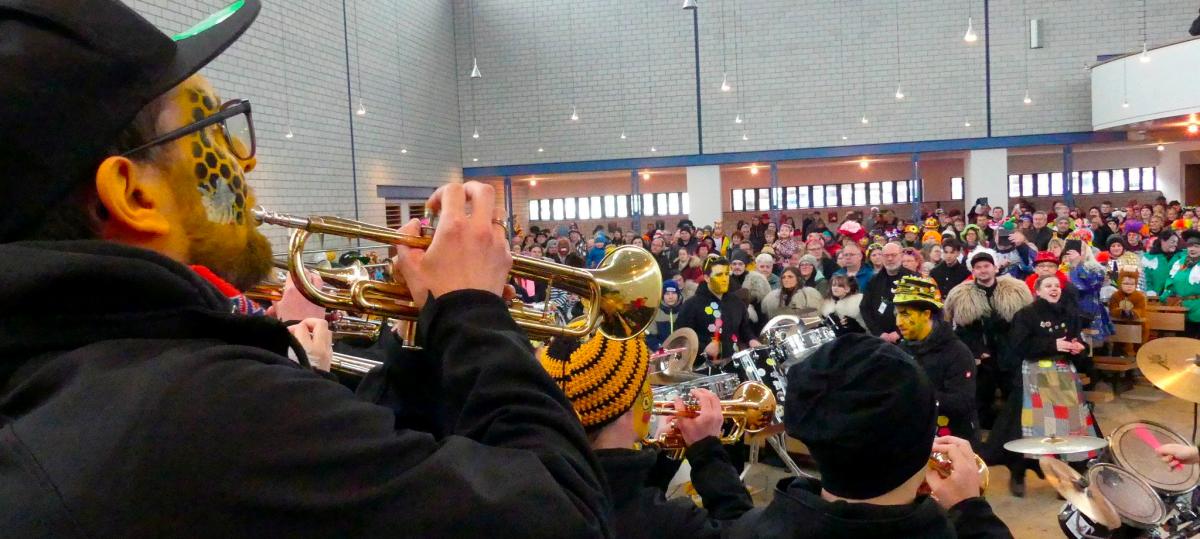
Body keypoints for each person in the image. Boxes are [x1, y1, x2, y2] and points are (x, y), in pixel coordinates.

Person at [0, 1, 610, 535]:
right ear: (133, 195)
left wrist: (429, 328)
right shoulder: (208, 412)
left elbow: (411, 479)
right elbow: (565, 513)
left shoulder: (71, 384)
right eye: (209, 131)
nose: (244, 162)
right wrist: (475, 308)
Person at [725, 335, 1012, 539]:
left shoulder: (753, 527)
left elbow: (727, 521)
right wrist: (972, 513)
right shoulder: (953, 530)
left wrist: (707, 453)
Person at [538, 334, 753, 539]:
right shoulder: (670, 523)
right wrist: (708, 451)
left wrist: (662, 459)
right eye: (646, 384)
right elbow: (746, 529)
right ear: (627, 406)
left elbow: (625, 493)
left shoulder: (540, 482)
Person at [988, 275, 1096, 497]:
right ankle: (1018, 472)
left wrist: (1079, 348)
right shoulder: (1026, 314)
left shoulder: (1069, 312)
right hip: (1034, 375)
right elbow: (1018, 346)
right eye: (1048, 286)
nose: (1054, 289)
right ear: (1037, 290)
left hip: (1063, 374)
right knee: (1032, 429)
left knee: (1068, 427)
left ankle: (1066, 478)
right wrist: (1051, 344)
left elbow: (1076, 339)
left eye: (1057, 286)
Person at [943, 253, 1033, 431]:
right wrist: (977, 352)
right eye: (978, 267)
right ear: (973, 271)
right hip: (981, 359)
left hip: (1010, 355)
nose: (983, 270)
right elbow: (961, 331)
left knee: (1015, 396)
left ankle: (1015, 431)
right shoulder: (962, 295)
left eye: (986, 266)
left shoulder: (1016, 291)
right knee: (981, 398)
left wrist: (1016, 349)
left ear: (995, 268)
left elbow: (1024, 324)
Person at [894, 276, 979, 445]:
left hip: (952, 441)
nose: (898, 322)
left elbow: (962, 402)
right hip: (911, 440)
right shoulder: (900, 351)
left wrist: (915, 394)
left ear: (926, 314)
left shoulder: (957, 352)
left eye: (905, 314)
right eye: (896, 314)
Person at [677, 257, 762, 366]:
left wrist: (751, 339)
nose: (724, 279)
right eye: (719, 275)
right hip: (702, 367)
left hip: (733, 363)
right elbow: (682, 337)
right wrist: (704, 348)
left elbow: (744, 328)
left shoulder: (736, 302)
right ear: (707, 278)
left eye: (726, 274)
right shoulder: (691, 305)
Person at [861, 242, 919, 343]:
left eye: (893, 255)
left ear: (901, 256)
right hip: (880, 339)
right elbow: (865, 308)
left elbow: (919, 309)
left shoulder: (914, 279)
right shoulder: (874, 281)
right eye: (886, 255)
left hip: (909, 339)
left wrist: (899, 333)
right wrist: (879, 333)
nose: (890, 258)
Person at [1064, 238, 1115, 344]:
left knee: (1090, 346)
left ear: (1087, 251)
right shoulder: (1063, 268)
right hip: (1068, 311)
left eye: (1081, 250)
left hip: (1089, 311)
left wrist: (1077, 265)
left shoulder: (1096, 268)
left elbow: (1087, 287)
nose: (1076, 254)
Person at [1161, 230, 1200, 338]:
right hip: (1180, 309)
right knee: (1181, 341)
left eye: (1196, 246)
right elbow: (1171, 280)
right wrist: (1166, 293)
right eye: (1190, 246)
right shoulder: (1180, 262)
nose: (1192, 249)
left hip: (1198, 310)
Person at [1108, 270, 1149, 357]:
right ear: (1120, 284)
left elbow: (1141, 310)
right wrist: (1120, 311)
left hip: (1136, 327)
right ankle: (1118, 354)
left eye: (1132, 284)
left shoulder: (1139, 296)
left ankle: (1137, 354)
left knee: (1142, 331)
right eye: (1126, 284)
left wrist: (1133, 312)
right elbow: (1112, 310)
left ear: (1135, 285)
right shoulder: (1115, 296)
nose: (1129, 286)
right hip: (1118, 327)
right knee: (1117, 338)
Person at [1143, 230, 1184, 296]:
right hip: (1155, 298)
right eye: (1173, 242)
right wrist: (1150, 291)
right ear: (1162, 241)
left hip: (1177, 298)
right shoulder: (1149, 257)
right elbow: (1146, 278)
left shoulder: (1181, 256)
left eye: (1176, 242)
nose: (1175, 244)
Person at [646, 280, 684, 351]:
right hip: (662, 352)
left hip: (682, 351)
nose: (670, 297)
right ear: (662, 296)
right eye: (667, 294)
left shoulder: (685, 310)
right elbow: (650, 337)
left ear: (678, 294)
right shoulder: (656, 313)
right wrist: (661, 350)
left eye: (673, 293)